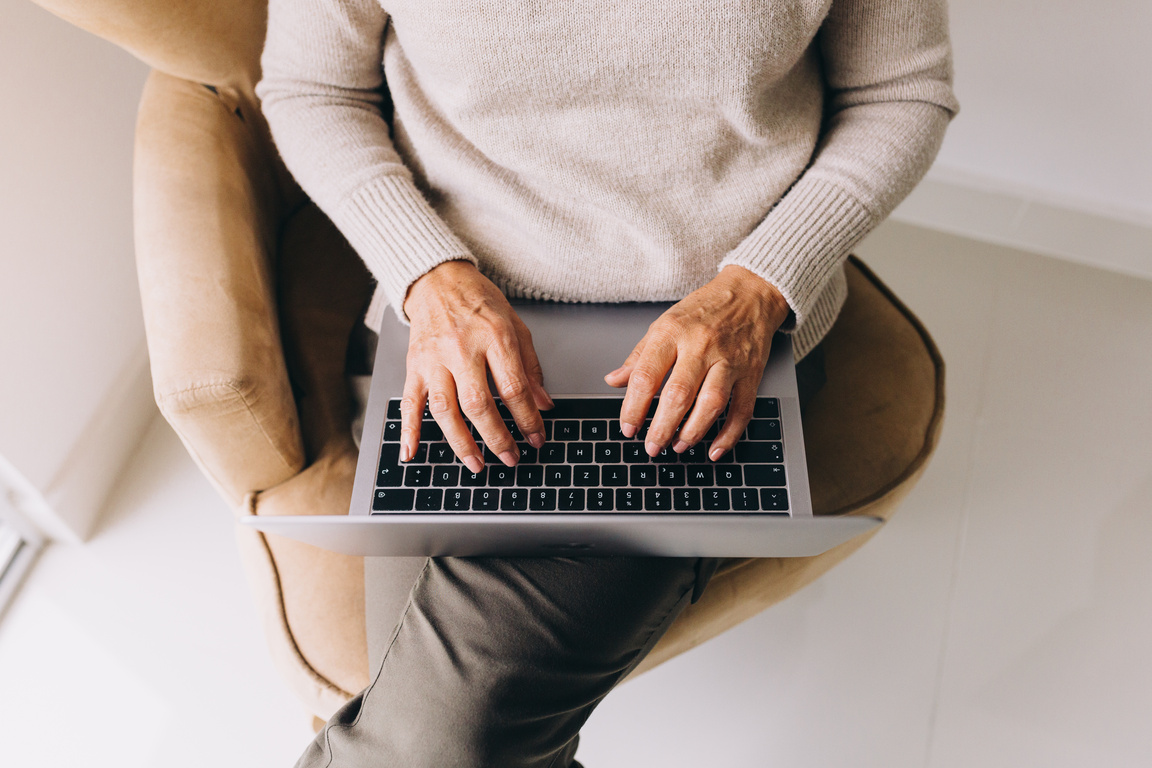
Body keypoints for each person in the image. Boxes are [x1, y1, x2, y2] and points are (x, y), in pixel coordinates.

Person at [257, 0, 958, 764]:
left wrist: (761, 288)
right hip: (452, 319)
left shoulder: (740, 313)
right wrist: (430, 277)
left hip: (713, 338)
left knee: (436, 745)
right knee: (437, 742)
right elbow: (310, 88)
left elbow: (901, 92)